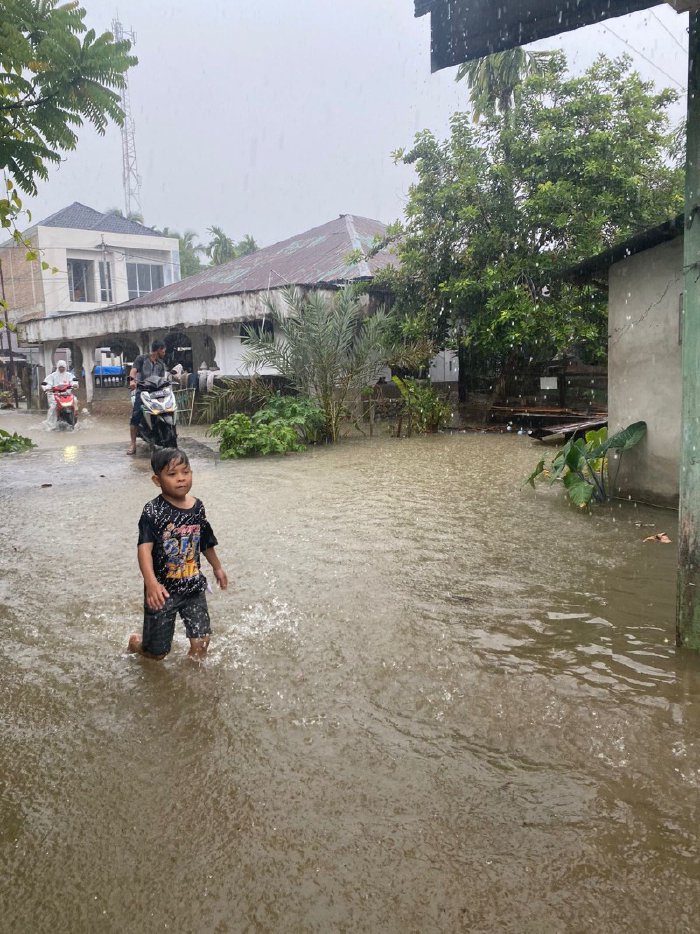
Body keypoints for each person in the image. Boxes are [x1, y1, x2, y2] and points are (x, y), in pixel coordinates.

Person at [128, 447, 228, 661]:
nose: (181, 479)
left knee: (202, 643)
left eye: (186, 472)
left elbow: (205, 540)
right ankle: (137, 644)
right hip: (163, 592)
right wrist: (151, 583)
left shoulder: (197, 507)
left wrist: (217, 567)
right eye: (172, 474)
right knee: (157, 653)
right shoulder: (153, 511)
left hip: (193, 587)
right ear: (157, 480)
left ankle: (192, 683)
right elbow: (144, 549)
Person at [126, 340, 167, 454]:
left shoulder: (161, 364)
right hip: (143, 391)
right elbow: (133, 372)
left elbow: (162, 379)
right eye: (163, 351)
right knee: (136, 415)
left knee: (167, 409)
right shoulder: (141, 359)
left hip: (157, 392)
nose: (164, 353)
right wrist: (132, 382)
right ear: (158, 350)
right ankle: (133, 444)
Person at [42, 359, 78, 429]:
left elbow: (73, 381)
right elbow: (47, 383)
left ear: (65, 367)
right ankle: (50, 425)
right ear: (57, 367)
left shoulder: (69, 375)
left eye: (63, 367)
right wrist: (47, 388)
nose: (61, 368)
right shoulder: (52, 376)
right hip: (55, 395)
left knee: (75, 400)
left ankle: (75, 417)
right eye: (60, 367)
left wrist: (75, 384)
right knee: (53, 406)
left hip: (67, 394)